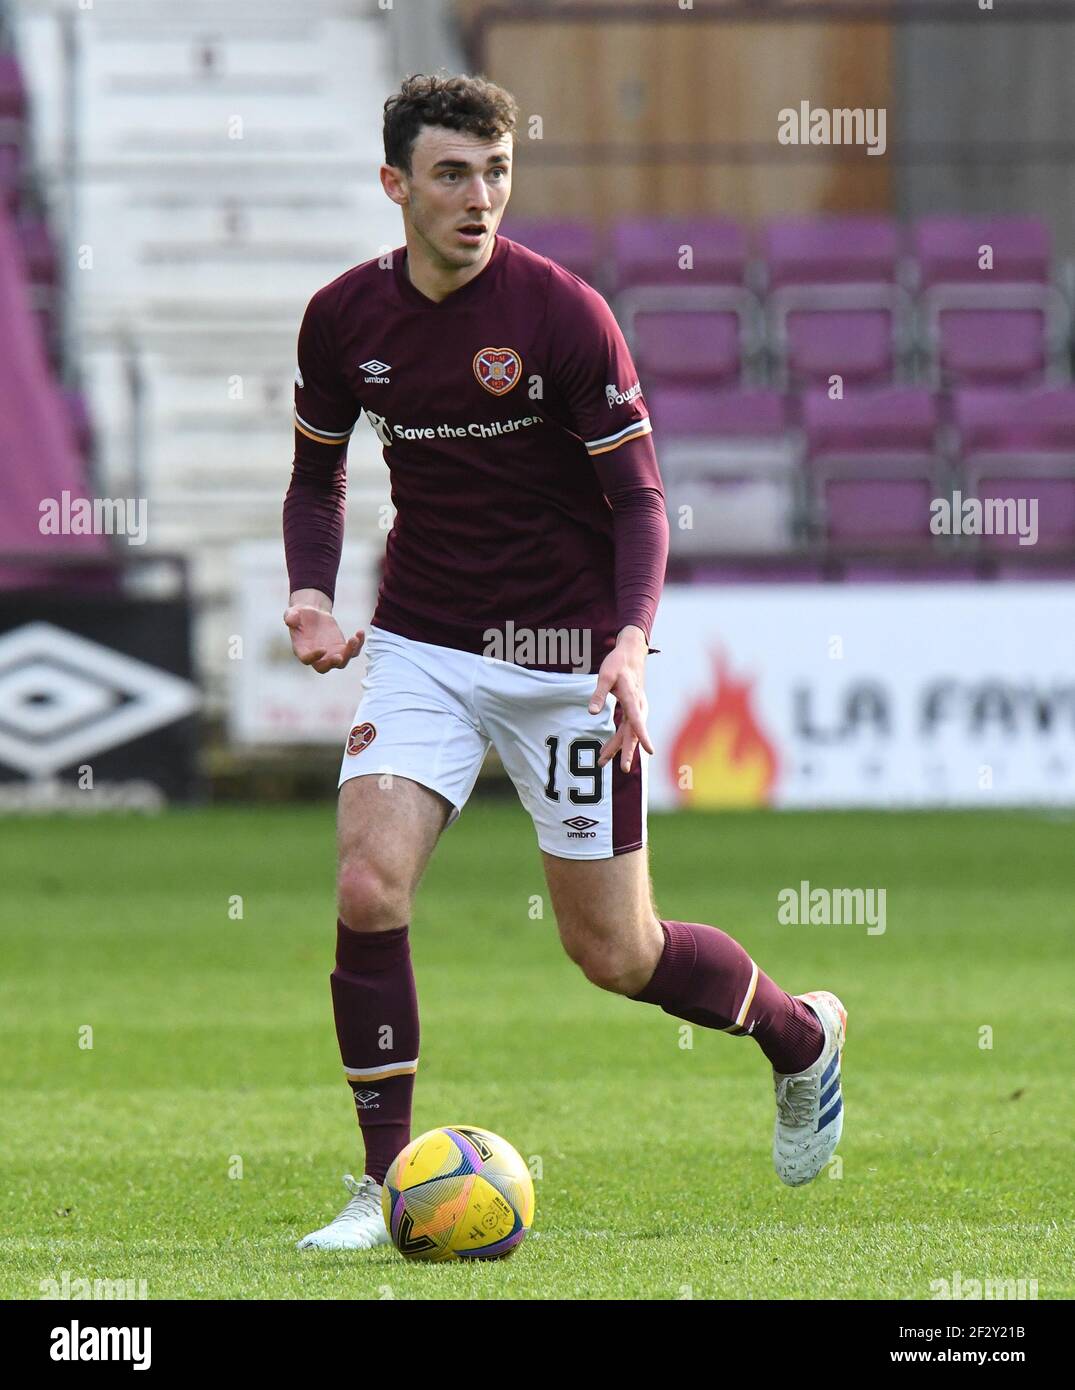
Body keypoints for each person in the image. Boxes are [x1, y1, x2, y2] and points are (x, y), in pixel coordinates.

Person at [284, 73, 846, 1251]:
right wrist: (307, 593)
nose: (477, 197)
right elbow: (317, 474)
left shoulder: (562, 314)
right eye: (450, 174)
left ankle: (800, 1038)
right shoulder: (343, 321)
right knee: (366, 886)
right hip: (425, 644)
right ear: (395, 185)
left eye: (494, 172)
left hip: (566, 663)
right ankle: (386, 1184)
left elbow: (640, 503)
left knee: (615, 952)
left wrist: (631, 644)